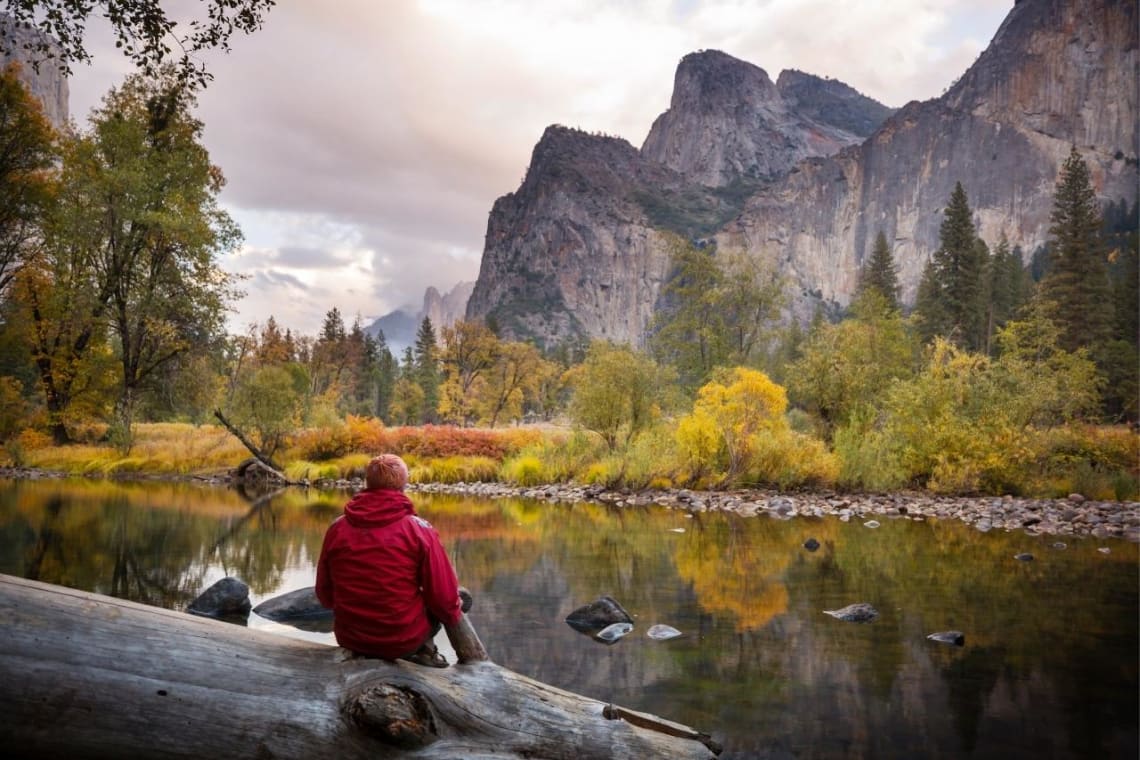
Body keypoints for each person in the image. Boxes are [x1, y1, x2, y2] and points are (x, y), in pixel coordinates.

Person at [315, 454, 463, 667]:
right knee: (454, 600)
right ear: (404, 484)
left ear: (367, 482)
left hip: (351, 638)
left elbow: (325, 595)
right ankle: (426, 652)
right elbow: (445, 600)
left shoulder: (337, 527)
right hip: (402, 641)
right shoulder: (419, 530)